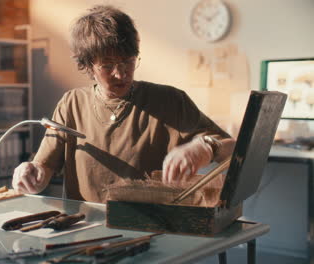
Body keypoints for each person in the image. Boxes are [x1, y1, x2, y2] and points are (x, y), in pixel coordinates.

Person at [12, 5, 235, 203]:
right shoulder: (71, 104)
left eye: (128, 62)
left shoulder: (170, 101)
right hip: (83, 228)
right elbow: (43, 171)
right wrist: (30, 175)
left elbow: (234, 149)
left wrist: (205, 146)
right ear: (88, 66)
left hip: (151, 229)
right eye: (107, 66)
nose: (121, 74)